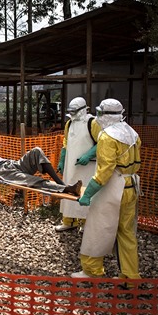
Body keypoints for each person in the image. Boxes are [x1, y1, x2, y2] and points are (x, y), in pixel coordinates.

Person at [71, 98, 141, 281]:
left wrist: (87, 194)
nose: (98, 116)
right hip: (131, 187)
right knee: (126, 232)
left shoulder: (108, 136)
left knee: (97, 229)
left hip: (112, 188)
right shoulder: (132, 133)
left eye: (100, 113)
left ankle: (92, 270)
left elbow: (104, 172)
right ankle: (130, 276)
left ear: (105, 115)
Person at [55, 97, 102, 232]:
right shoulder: (69, 124)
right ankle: (69, 221)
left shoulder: (92, 123)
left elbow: (102, 142)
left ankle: (86, 223)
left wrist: (89, 155)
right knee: (69, 189)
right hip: (71, 166)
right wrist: (62, 160)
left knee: (86, 191)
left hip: (88, 167)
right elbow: (66, 142)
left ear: (83, 110)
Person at [0, 147, 82, 196]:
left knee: (36, 152)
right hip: (3, 171)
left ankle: (61, 182)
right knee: (33, 181)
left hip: (11, 164)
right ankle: (66, 189)